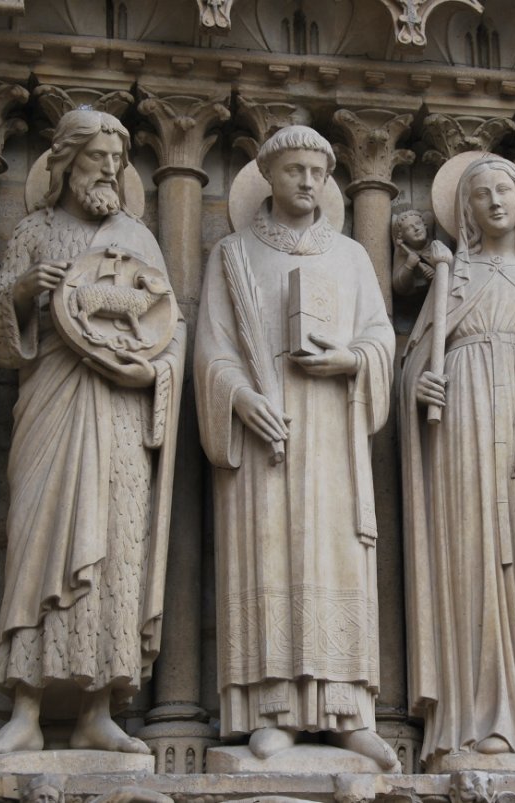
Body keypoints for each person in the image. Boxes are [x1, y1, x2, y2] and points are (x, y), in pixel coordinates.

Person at [0, 109, 184, 758]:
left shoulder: (140, 240)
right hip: (53, 400)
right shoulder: (35, 230)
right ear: (65, 163)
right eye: (97, 160)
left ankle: (99, 709)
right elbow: (0, 336)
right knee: (39, 542)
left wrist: (148, 368)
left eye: (117, 163)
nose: (110, 172)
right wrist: (31, 289)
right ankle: (25, 710)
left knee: (115, 547)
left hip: (118, 406)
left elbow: (167, 327)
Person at [194, 126, 397, 769]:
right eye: (294, 171)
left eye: (317, 171)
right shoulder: (233, 253)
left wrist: (351, 360)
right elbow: (210, 349)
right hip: (266, 427)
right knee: (268, 554)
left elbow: (381, 339)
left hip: (334, 422)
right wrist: (238, 398)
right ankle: (270, 707)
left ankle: (347, 712)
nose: (307, 182)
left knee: (337, 558)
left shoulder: (351, 257)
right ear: (269, 177)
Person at [401, 154, 515, 770]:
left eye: (505, 189)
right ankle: (478, 722)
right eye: (481, 194)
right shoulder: (451, 276)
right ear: (467, 209)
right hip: (462, 434)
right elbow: (414, 361)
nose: (495, 202)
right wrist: (416, 389)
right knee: (472, 563)